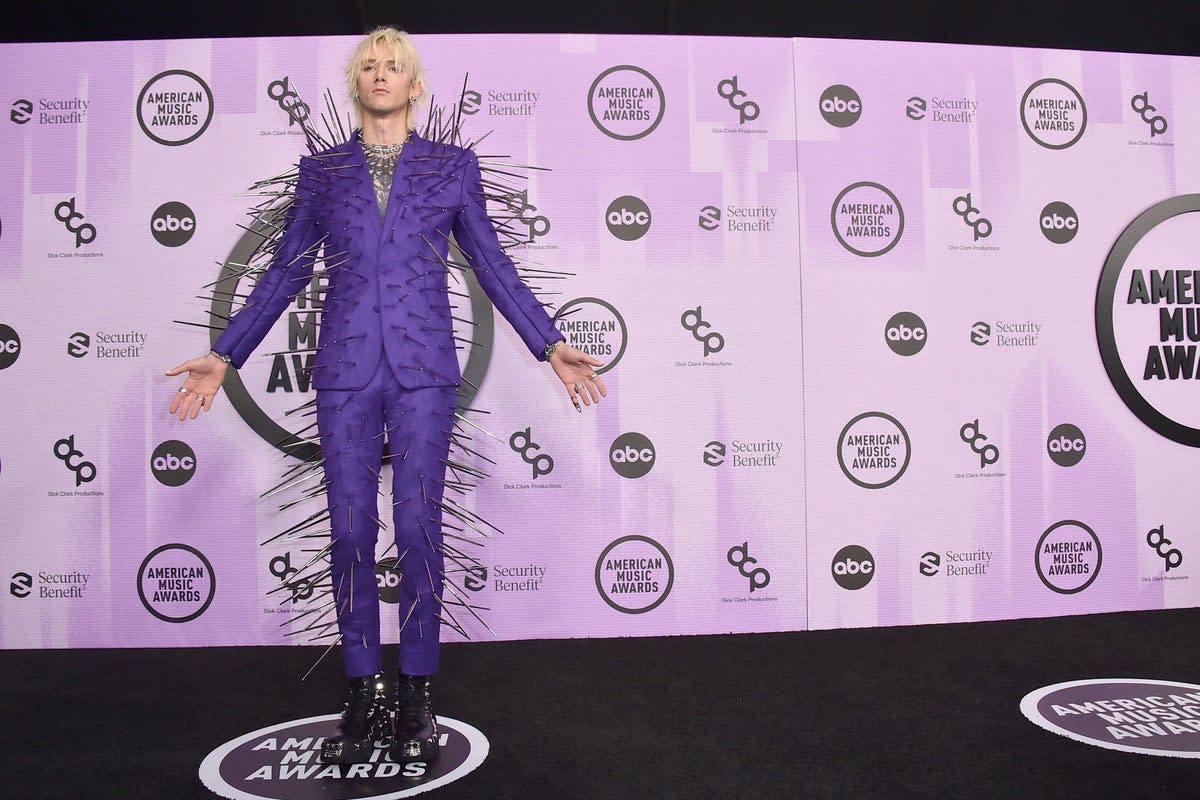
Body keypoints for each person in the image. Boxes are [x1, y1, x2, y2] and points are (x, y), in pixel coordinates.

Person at [165, 26, 606, 765]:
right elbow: (283, 274)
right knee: (346, 532)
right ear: (356, 83)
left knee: (419, 529)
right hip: (343, 370)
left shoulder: (451, 168)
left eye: (393, 66)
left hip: (426, 369)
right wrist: (225, 353)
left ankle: (419, 692)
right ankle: (364, 688)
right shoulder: (321, 173)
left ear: (414, 85)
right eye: (368, 65)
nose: (380, 74)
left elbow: (492, 264)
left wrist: (547, 342)